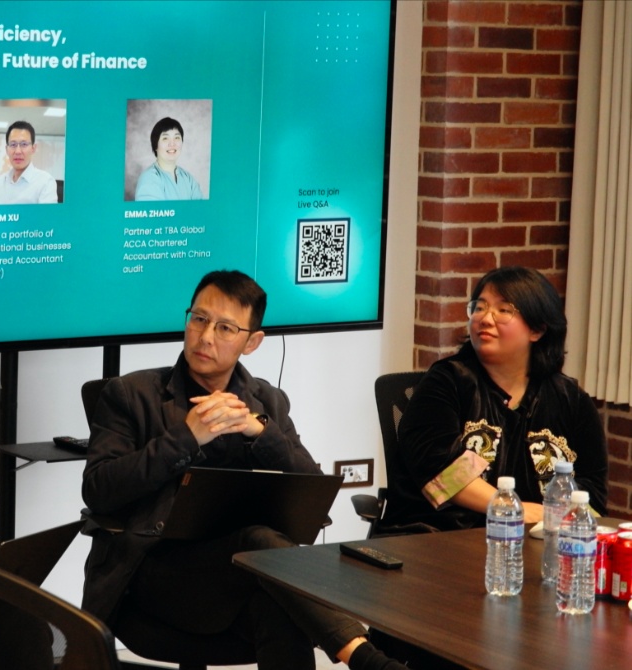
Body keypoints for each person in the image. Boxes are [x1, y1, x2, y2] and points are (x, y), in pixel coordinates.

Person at [81, 270, 405, 670]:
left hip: (237, 576)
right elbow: (99, 489)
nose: (205, 336)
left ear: (252, 342)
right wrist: (186, 437)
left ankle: (366, 658)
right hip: (153, 576)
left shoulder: (267, 401)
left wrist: (261, 432)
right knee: (259, 545)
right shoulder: (131, 394)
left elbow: (314, 489)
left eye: (225, 328)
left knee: (275, 601)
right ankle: (368, 659)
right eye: (199, 319)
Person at [384, 266, 609, 532]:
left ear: (537, 330)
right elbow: (439, 468)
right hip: (442, 536)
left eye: (503, 310)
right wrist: (513, 509)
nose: (485, 318)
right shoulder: (447, 382)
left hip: (538, 539)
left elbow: (591, 491)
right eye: (479, 308)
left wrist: (555, 518)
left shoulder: (570, 399)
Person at [0, 120, 58, 205]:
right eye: (13, 145)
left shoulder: (45, 182)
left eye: (24, 144)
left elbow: (48, 214)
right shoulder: (0, 183)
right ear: (7, 149)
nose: (18, 151)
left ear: (33, 148)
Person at [133, 116, 205, 201]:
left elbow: (202, 208)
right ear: (156, 145)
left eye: (177, 137)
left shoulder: (188, 179)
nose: (172, 144)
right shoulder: (149, 178)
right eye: (165, 138)